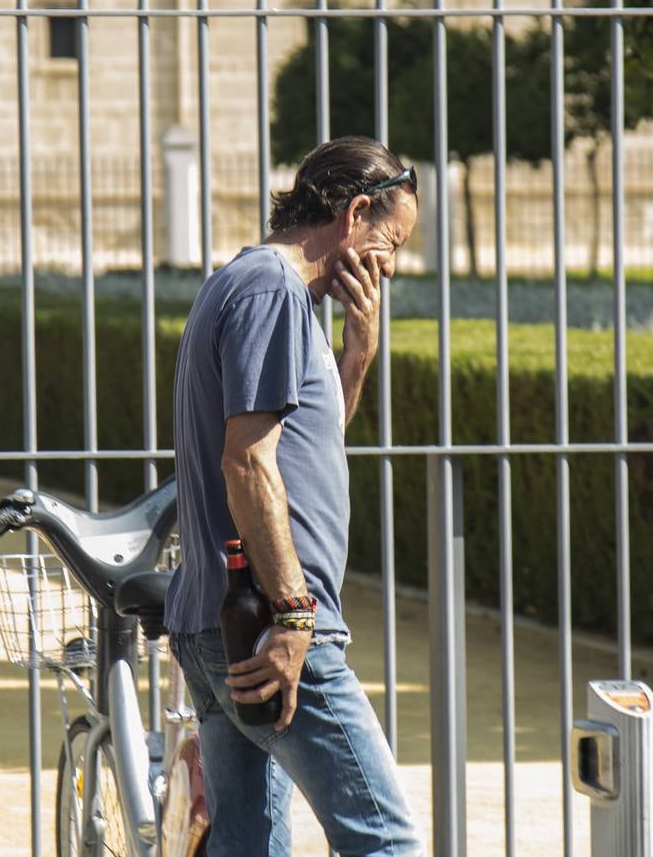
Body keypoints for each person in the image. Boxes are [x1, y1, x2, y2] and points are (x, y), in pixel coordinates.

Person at [166, 135, 422, 856]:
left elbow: (304, 449)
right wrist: (294, 614)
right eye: (391, 241)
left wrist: (357, 355)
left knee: (249, 845)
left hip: (231, 622)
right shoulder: (270, 290)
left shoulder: (267, 291)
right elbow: (246, 463)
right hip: (268, 624)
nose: (391, 265)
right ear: (356, 213)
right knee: (385, 841)